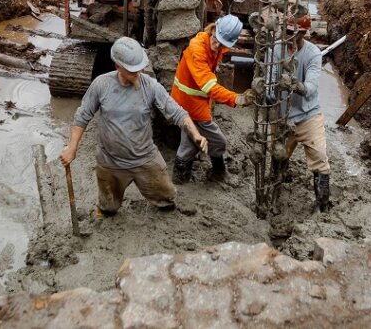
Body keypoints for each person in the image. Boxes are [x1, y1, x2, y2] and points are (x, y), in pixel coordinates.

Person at [59, 37, 208, 216]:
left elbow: (176, 112)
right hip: (110, 161)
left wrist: (195, 134)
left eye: (140, 68)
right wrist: (72, 147)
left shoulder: (150, 86)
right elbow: (82, 115)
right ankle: (107, 207)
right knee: (108, 208)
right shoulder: (101, 85)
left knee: (167, 199)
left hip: (144, 158)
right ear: (118, 66)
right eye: (132, 70)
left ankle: (161, 198)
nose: (138, 73)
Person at [170, 14, 249, 184]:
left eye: (223, 44)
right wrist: (236, 99)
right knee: (216, 141)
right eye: (216, 39)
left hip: (193, 102)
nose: (217, 45)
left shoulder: (214, 46)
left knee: (189, 141)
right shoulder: (197, 50)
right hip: (190, 104)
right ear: (213, 29)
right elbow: (209, 86)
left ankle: (180, 178)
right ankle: (216, 173)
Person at [271, 14, 330, 212]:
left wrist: (296, 85)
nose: (288, 37)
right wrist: (269, 95)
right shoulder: (276, 49)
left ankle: (323, 207)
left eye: (292, 34)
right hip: (282, 115)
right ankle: (275, 195)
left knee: (320, 158)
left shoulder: (313, 53)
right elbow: (270, 78)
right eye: (286, 32)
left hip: (308, 115)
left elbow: (312, 87)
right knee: (279, 155)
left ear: (303, 34)